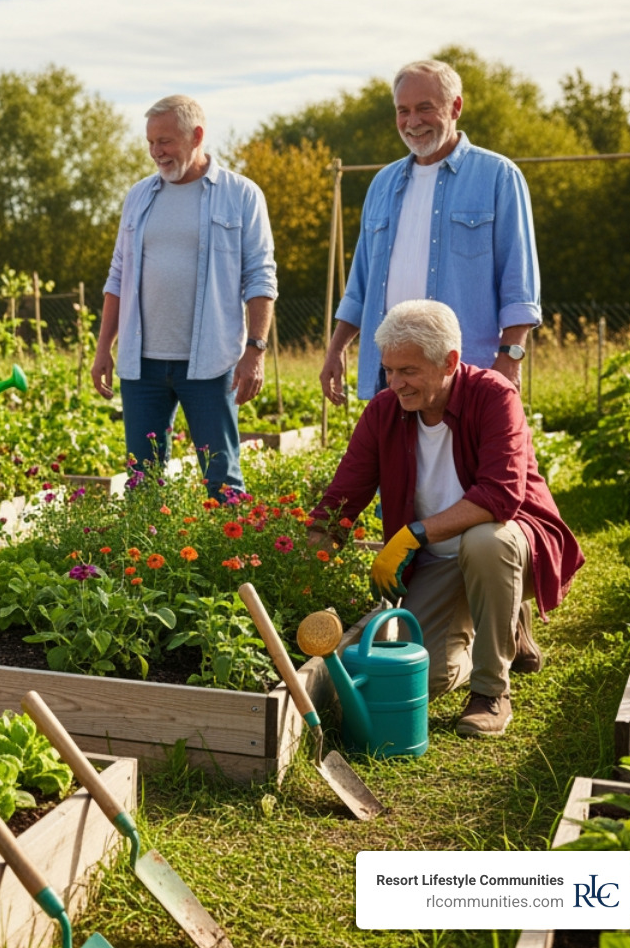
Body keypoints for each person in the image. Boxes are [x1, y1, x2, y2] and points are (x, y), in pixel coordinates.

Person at [308, 300, 582, 738]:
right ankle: (503, 623)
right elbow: (342, 499)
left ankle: (491, 691)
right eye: (389, 371)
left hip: (512, 546)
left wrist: (412, 534)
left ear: (449, 362)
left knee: (485, 542)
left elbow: (500, 495)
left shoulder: (493, 396)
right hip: (437, 559)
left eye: (409, 371)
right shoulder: (383, 412)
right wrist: (305, 562)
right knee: (422, 677)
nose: (396, 383)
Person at [320, 59, 542, 404]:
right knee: (396, 460)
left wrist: (510, 358)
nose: (412, 122)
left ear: (455, 107)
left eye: (425, 108)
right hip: (389, 375)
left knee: (463, 459)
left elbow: (519, 283)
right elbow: (360, 284)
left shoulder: (498, 176)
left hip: (465, 372)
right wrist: (335, 350)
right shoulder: (382, 185)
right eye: (402, 111)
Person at [91, 95, 277, 495]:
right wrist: (103, 347)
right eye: (151, 143)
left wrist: (255, 350)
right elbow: (117, 276)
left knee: (222, 478)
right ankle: (147, 558)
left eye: (166, 141)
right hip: (142, 366)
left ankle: (230, 557)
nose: (157, 152)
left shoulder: (241, 195)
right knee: (142, 482)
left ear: (196, 136)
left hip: (211, 364)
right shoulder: (139, 196)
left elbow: (261, 277)